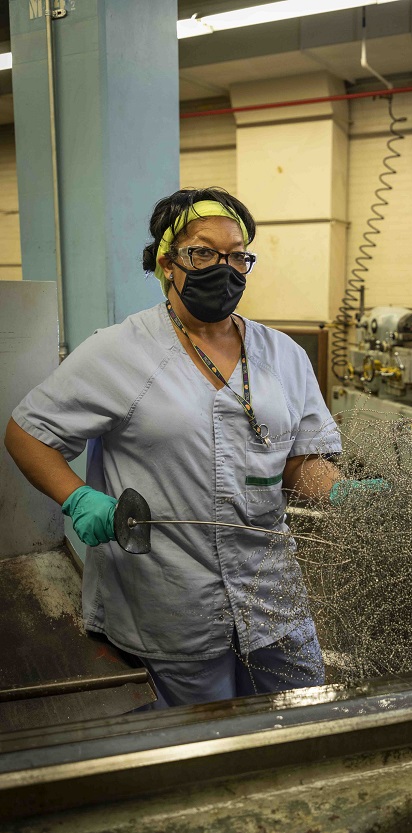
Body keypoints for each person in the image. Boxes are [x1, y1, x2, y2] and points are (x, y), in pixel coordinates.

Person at [4, 186, 344, 708]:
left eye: (237, 256)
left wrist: (342, 494)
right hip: (170, 599)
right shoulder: (121, 351)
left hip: (271, 597)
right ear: (168, 262)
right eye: (203, 252)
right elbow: (28, 432)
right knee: (200, 747)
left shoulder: (284, 355)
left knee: (304, 719)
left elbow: (299, 461)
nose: (223, 268)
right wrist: (77, 497)